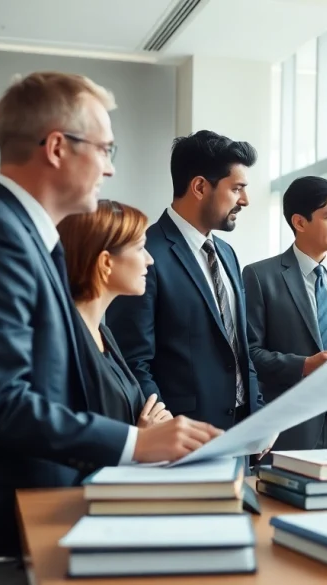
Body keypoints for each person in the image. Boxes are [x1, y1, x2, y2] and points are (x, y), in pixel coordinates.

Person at [0, 72, 220, 585]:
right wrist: (138, 444)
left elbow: (59, 387)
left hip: (47, 501)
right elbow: (2, 406)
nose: (110, 168)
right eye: (105, 149)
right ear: (56, 148)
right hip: (7, 524)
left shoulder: (27, 238)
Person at [108, 130, 266, 435]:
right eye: (237, 189)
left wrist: (258, 414)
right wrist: (165, 429)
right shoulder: (143, 253)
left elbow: (239, 347)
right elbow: (132, 360)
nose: (245, 200)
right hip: (181, 437)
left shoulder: (227, 254)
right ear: (200, 187)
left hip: (242, 434)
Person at [242, 176, 327, 454]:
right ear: (300, 222)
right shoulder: (259, 276)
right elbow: (249, 355)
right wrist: (305, 365)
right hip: (290, 430)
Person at [57, 199, 172, 427]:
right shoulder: (66, 341)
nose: (149, 260)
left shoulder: (103, 333)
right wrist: (140, 437)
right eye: (140, 248)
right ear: (106, 262)